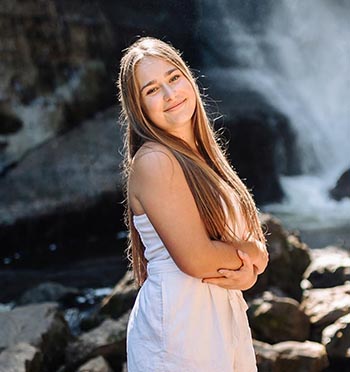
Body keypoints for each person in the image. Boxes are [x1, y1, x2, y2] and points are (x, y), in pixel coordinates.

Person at [117, 36, 269, 372]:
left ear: (188, 78)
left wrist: (247, 275)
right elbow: (197, 259)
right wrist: (255, 255)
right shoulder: (155, 160)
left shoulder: (200, 157)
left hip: (217, 316)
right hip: (180, 328)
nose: (170, 94)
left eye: (173, 78)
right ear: (138, 107)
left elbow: (222, 248)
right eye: (152, 90)